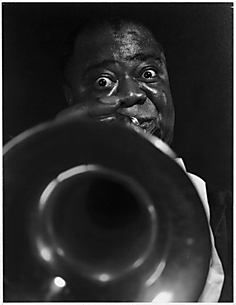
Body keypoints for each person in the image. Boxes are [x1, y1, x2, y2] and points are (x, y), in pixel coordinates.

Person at [57, 18, 230, 301]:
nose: (131, 94)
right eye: (103, 81)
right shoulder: (34, 215)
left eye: (148, 73)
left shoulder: (228, 216)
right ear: (71, 99)